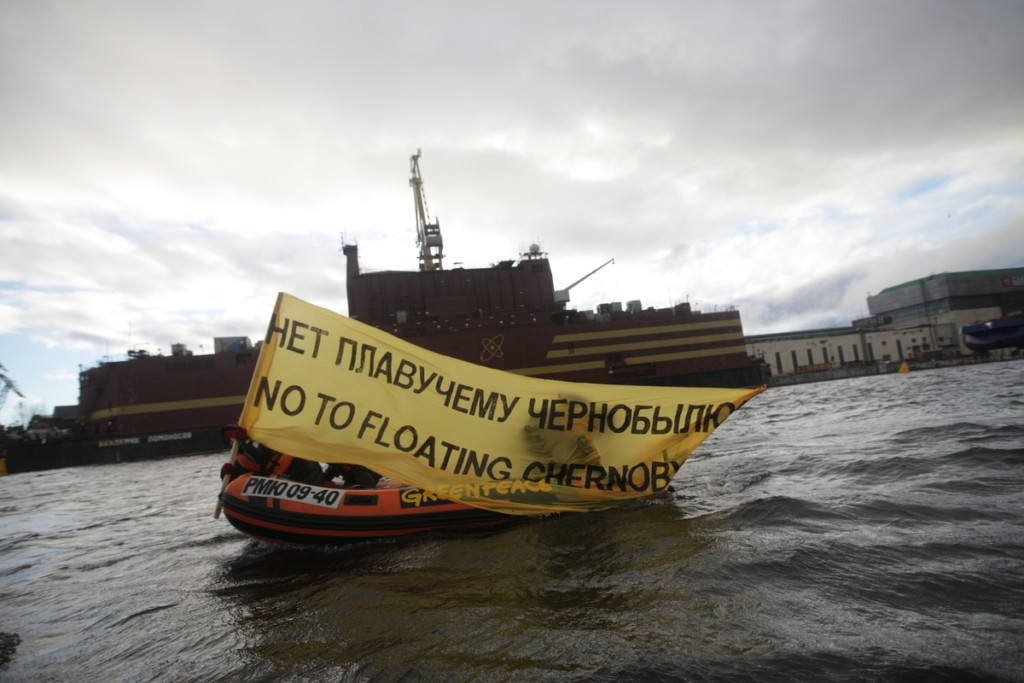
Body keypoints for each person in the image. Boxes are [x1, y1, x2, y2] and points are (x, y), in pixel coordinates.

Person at [219, 424, 380, 488]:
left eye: (233, 436)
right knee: (320, 481)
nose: (232, 440)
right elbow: (235, 480)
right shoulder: (241, 457)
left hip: (301, 469)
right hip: (288, 479)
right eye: (229, 439)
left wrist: (246, 440)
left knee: (318, 481)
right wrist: (226, 473)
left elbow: (261, 454)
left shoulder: (261, 443)